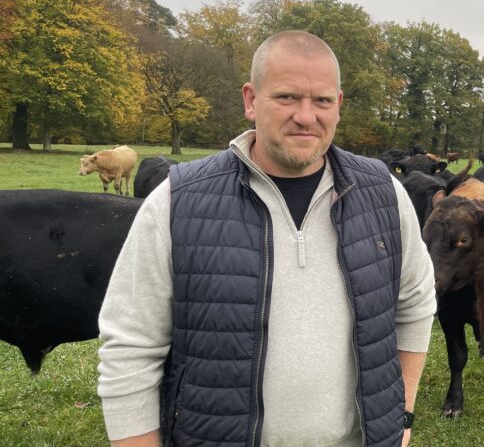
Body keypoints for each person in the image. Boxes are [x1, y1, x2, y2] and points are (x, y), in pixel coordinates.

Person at [97, 30, 437, 447]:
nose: (307, 116)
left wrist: (401, 415)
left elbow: (416, 303)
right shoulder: (175, 201)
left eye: (322, 100)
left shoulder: (385, 193)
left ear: (339, 106)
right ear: (250, 100)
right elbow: (130, 346)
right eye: (287, 97)